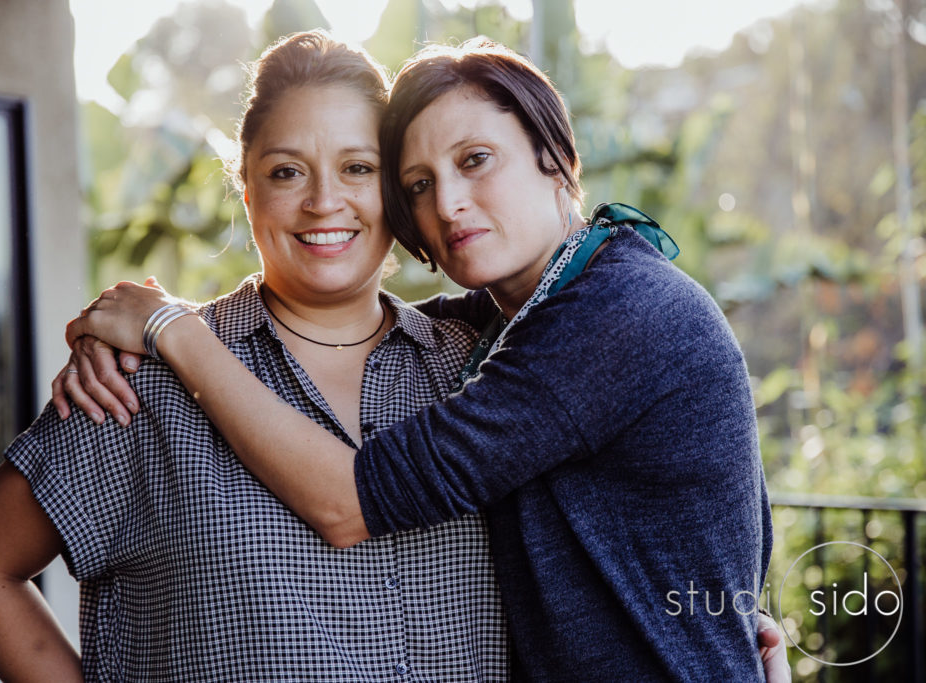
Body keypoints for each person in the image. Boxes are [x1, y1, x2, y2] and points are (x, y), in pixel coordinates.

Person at [64, 38, 788, 681]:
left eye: (476, 160)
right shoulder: (525, 317)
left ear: (557, 159)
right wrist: (176, 323)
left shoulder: (616, 315)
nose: (449, 203)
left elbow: (348, 501)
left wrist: (171, 332)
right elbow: (344, 320)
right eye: (418, 184)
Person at [0, 32, 510, 681]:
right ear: (246, 189)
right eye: (287, 171)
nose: (324, 201)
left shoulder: (476, 367)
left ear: (400, 190)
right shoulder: (140, 380)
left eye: (358, 167)